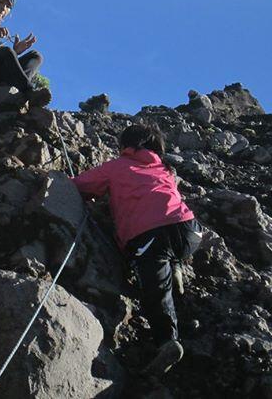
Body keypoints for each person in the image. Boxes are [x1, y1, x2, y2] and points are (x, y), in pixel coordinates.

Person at [72, 121, 202, 377]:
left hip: (150, 232)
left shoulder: (117, 166)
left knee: (154, 289)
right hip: (189, 230)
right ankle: (180, 292)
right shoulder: (164, 168)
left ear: (126, 144)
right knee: (167, 257)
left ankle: (167, 341)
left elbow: (82, 185)